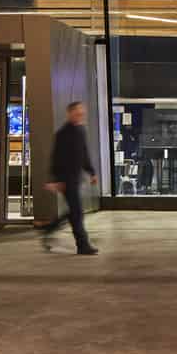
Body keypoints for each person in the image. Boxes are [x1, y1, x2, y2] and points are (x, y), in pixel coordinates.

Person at [42, 100, 98, 255]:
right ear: (70, 113)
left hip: (75, 178)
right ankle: (83, 245)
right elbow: (56, 158)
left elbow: (84, 154)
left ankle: (49, 229)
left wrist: (91, 172)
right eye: (78, 112)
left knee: (74, 212)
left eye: (82, 112)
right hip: (66, 179)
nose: (81, 114)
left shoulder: (81, 131)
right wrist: (56, 180)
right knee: (77, 213)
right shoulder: (62, 134)